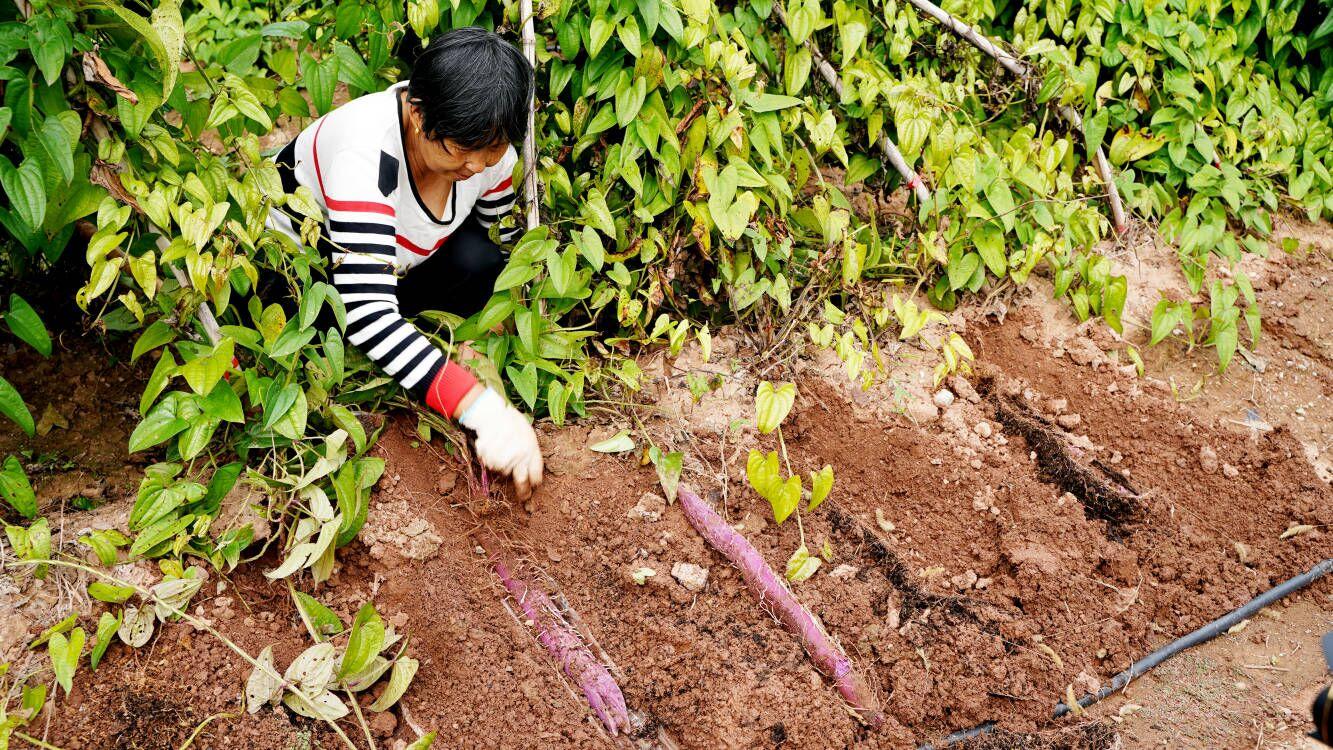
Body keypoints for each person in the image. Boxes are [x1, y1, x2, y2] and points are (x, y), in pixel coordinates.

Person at [265, 27, 544, 499]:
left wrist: (487, 328)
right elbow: (367, 316)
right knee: (342, 332)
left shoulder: (488, 150)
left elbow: (500, 236)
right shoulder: (365, 154)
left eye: (491, 150)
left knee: (481, 258)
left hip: (400, 267)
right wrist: (483, 410)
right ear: (417, 114)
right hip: (306, 279)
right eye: (459, 149)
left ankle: (418, 349)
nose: (477, 166)